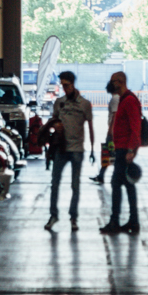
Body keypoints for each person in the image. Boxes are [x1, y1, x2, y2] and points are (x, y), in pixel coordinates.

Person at [44, 70, 96, 232]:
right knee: (55, 183)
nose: (64, 88)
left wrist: (93, 149)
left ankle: (73, 217)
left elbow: (90, 127)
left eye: (67, 85)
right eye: (62, 85)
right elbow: (53, 122)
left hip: (77, 150)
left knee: (75, 185)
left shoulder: (84, 104)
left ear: (73, 84)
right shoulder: (59, 103)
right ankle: (53, 215)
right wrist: (54, 126)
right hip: (61, 149)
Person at [100, 70, 142, 236]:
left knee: (116, 185)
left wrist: (131, 150)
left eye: (113, 81)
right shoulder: (124, 100)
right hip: (121, 149)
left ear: (121, 82)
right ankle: (133, 221)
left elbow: (135, 127)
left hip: (125, 150)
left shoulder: (130, 101)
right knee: (128, 186)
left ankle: (115, 222)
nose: (111, 84)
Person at [90, 81, 119, 184]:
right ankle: (101, 175)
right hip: (114, 132)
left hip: (113, 133)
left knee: (109, 153)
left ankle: (107, 176)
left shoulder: (115, 99)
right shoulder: (116, 98)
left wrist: (110, 131)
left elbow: (115, 115)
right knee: (107, 154)